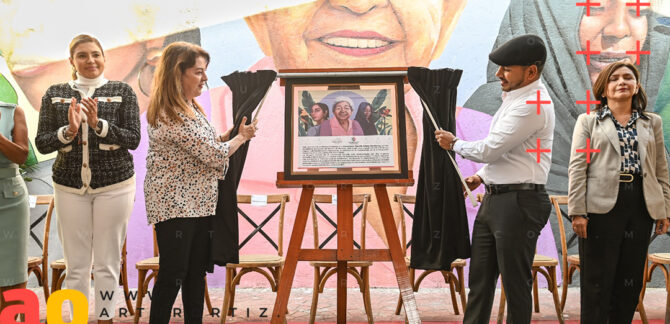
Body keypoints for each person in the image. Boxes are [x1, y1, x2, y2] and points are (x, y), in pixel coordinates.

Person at [464, 0, 670, 200]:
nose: (618, 30)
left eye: (638, 11)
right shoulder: (484, 118)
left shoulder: (643, 131)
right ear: (543, 20)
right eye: (595, 8)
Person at [435, 34, 555, 323]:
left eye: (506, 68)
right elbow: (510, 152)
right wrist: (480, 177)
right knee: (480, 281)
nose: (499, 74)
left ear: (531, 71)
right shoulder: (516, 97)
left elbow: (490, 149)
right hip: (497, 199)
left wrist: (454, 144)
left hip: (519, 203)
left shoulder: (533, 104)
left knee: (514, 284)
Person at [144, 41, 257, 324]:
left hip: (199, 204)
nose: (205, 78)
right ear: (176, 74)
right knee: (174, 273)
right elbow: (212, 154)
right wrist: (240, 138)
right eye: (198, 71)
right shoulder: (169, 112)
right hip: (175, 206)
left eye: (204, 71)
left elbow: (207, 144)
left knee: (195, 273)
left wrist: (232, 133)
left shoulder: (191, 107)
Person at [34, 34, 140, 323]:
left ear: (104, 57)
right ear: (72, 61)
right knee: (76, 263)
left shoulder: (123, 91)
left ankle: (105, 317)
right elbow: (42, 143)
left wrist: (98, 125)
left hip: (115, 186)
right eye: (82, 55)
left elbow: (133, 139)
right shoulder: (54, 93)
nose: (90, 60)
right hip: (68, 187)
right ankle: (77, 319)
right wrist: (67, 132)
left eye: (95, 54)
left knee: (107, 261)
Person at [568, 61, 670, 323]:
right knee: (597, 280)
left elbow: (661, 169)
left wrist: (664, 209)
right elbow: (578, 168)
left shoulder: (652, 123)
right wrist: (578, 211)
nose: (622, 82)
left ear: (636, 87)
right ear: (604, 89)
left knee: (630, 279)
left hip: (640, 203)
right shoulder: (589, 122)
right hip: (600, 207)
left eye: (628, 77)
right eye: (614, 78)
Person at [0, 102, 29, 318]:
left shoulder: (12, 111)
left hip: (10, 197)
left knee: (13, 267)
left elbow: (21, 156)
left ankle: (12, 319)